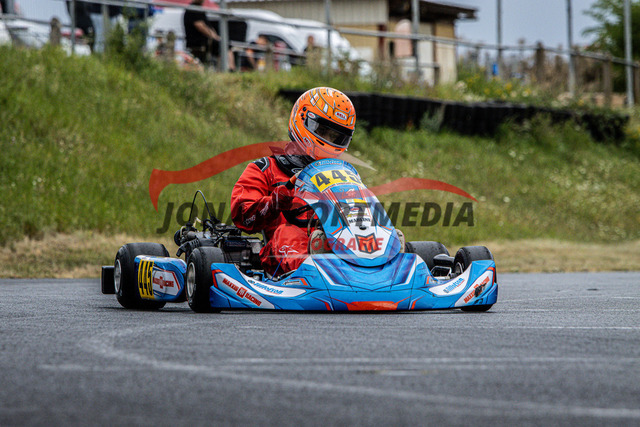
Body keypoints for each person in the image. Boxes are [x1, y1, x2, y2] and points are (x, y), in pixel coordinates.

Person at [230, 87, 356, 276]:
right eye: (323, 131)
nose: (329, 140)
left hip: (334, 245)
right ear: (303, 119)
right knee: (287, 233)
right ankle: (317, 269)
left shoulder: (344, 176)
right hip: (282, 256)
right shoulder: (266, 169)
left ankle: (373, 268)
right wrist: (273, 203)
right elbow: (243, 215)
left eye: (336, 137)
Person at [183, 0, 234, 70]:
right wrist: (214, 37)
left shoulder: (198, 9)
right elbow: (200, 26)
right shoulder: (193, 9)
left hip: (203, 41)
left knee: (224, 45)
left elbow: (207, 26)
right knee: (223, 46)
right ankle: (227, 69)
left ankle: (229, 68)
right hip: (198, 42)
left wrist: (215, 36)